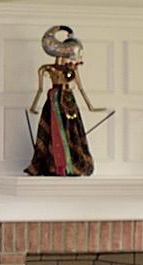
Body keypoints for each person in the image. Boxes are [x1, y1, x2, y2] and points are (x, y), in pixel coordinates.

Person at [23, 25, 109, 177]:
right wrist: (34, 107)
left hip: (69, 102)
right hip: (54, 101)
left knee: (72, 132)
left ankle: (70, 164)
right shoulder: (47, 68)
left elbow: (81, 88)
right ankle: (55, 164)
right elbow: (40, 89)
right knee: (54, 131)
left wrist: (91, 107)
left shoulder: (72, 69)